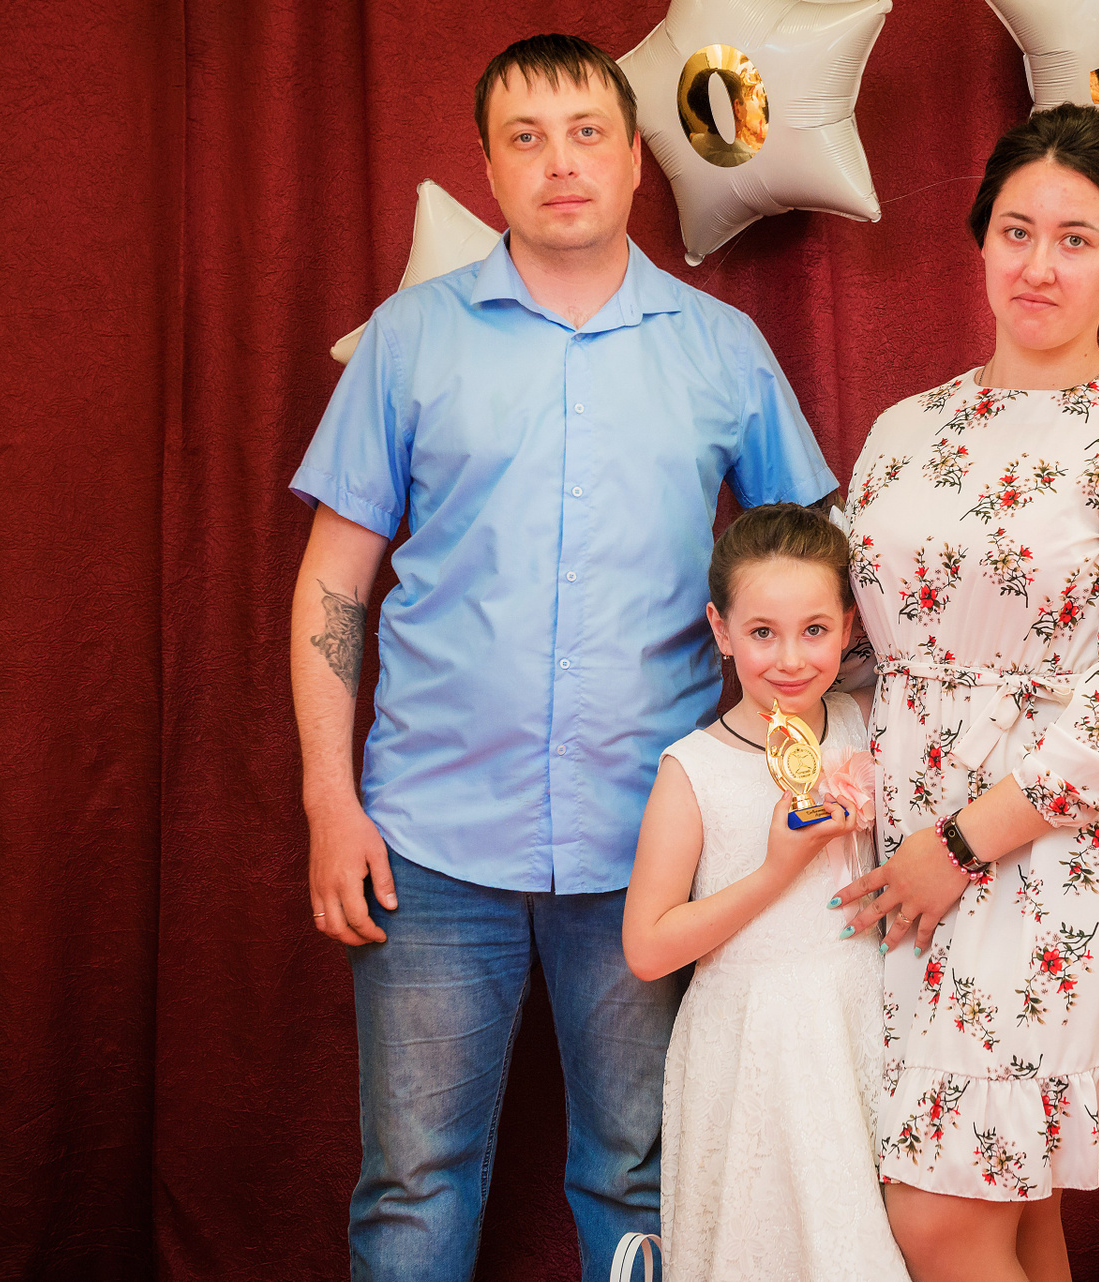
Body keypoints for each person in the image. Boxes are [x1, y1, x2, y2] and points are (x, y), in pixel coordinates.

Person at [287, 33, 836, 1282]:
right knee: (412, 1182)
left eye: (588, 133)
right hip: (426, 840)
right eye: (525, 139)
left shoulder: (722, 348)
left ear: (636, 157)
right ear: (488, 168)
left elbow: (811, 580)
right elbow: (333, 583)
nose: (561, 163)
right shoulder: (410, 341)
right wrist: (329, 800)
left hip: (654, 842)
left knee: (642, 1172)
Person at [833, 104, 1099, 1282]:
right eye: (1017, 231)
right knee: (1010, 1209)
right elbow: (863, 643)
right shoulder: (905, 431)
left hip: (1053, 858)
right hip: (907, 852)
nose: (1039, 265)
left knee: (940, 1214)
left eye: (1075, 238)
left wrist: (958, 844)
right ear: (980, 241)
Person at [623, 504, 910, 1282]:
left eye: (814, 630)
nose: (790, 658)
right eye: (761, 632)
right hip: (752, 1043)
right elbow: (647, 947)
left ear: (849, 627)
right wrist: (776, 871)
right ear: (720, 630)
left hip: (861, 1019)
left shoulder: (864, 724)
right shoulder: (693, 771)